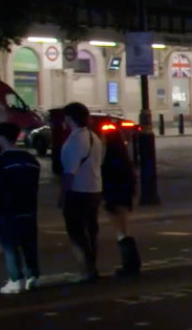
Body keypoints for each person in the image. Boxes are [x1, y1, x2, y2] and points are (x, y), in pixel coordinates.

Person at [0, 122, 42, 293]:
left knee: (10, 246)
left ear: (2, 137)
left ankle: (15, 278)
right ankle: (33, 276)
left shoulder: (0, 162)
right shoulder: (30, 160)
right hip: (28, 208)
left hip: (7, 210)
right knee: (29, 244)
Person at [59, 102, 105, 283]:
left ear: (70, 118)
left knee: (76, 232)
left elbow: (70, 172)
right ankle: (91, 267)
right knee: (91, 230)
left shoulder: (75, 140)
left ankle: (86, 269)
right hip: (95, 188)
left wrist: (63, 195)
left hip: (78, 190)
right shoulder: (94, 137)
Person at [99, 122, 141, 277]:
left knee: (121, 231)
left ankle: (130, 264)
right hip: (124, 196)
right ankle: (131, 264)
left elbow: (106, 178)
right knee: (123, 229)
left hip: (114, 196)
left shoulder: (108, 160)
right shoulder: (124, 158)